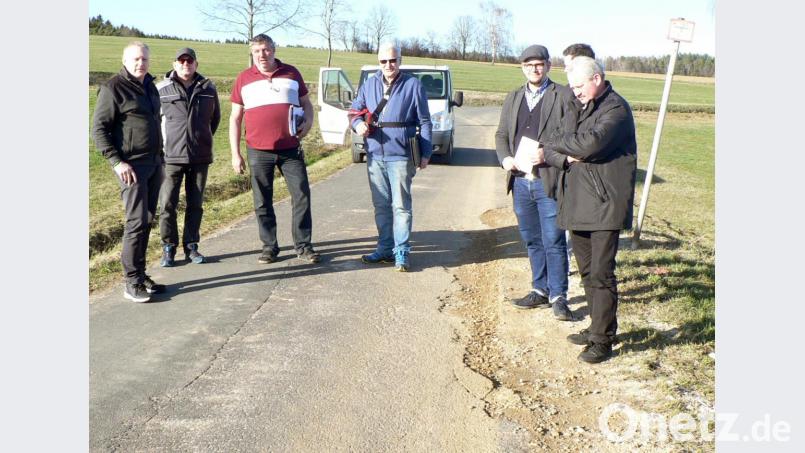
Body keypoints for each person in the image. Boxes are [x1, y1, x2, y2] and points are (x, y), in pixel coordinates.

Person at [542, 56, 637, 363]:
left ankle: (603, 339)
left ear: (597, 79)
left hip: (605, 202)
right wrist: (566, 151)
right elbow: (554, 140)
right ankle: (596, 326)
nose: (576, 92)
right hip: (577, 200)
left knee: (601, 272)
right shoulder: (577, 104)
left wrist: (569, 146)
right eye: (572, 87)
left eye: (580, 86)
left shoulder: (616, 110)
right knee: (585, 271)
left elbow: (591, 144)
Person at [494, 44, 573, 321]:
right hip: (519, 181)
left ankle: (559, 296)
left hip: (547, 180)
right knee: (531, 239)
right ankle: (539, 289)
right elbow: (502, 134)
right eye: (528, 65)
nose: (534, 69)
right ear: (522, 68)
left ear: (548, 66)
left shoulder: (562, 95)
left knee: (554, 238)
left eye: (538, 64)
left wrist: (548, 154)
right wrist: (504, 159)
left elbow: (570, 136)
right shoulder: (513, 97)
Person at [229, 34, 320, 264]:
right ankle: (269, 247)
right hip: (258, 150)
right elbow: (235, 118)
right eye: (257, 50)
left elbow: (307, 105)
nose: (262, 55)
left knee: (301, 197)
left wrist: (308, 124)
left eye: (266, 49)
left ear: (274, 50)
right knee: (262, 201)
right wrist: (235, 153)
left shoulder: (291, 73)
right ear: (252, 52)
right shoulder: (243, 79)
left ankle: (303, 246)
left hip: (290, 149)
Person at [92, 41, 166, 303]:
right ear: (124, 60)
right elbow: (98, 130)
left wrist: (161, 158)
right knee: (136, 222)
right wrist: (117, 162)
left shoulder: (150, 87)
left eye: (144, 59)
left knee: (146, 219)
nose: (140, 63)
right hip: (131, 166)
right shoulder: (113, 88)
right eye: (135, 59)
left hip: (155, 163)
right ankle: (131, 282)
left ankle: (141, 274)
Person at [349, 42, 432, 272]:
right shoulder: (369, 84)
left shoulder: (413, 85)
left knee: (401, 207)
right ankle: (385, 248)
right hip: (375, 155)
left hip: (401, 156)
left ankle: (402, 252)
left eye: (393, 60)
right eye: (384, 61)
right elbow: (354, 112)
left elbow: (424, 121)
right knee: (381, 206)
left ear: (400, 61)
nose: (388, 65)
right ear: (378, 62)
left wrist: (425, 153)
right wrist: (357, 126)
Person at [156, 47, 221, 267]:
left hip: (200, 157)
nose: (186, 64)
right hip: (170, 158)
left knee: (196, 204)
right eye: (181, 61)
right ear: (174, 64)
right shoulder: (161, 89)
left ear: (196, 64)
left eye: (190, 61)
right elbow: (154, 121)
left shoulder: (208, 88)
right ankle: (168, 248)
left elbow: (214, 120)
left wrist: (200, 139)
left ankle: (191, 246)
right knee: (167, 205)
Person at [560, 43, 595, 275]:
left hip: (593, 184)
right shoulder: (566, 94)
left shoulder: (604, 102)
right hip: (565, 172)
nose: (565, 71)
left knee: (596, 264)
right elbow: (556, 133)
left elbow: (589, 143)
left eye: (569, 65)